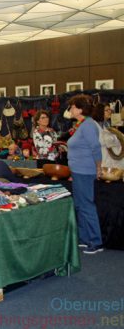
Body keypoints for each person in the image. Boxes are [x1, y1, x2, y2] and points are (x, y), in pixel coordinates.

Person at [67, 94, 103, 254]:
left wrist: (99, 168)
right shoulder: (82, 125)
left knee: (86, 205)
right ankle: (84, 238)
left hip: (84, 171)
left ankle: (96, 242)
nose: (71, 109)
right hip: (78, 171)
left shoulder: (88, 125)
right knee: (80, 205)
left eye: (73, 107)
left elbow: (95, 148)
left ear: (80, 109)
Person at [92, 103, 124, 170]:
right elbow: (101, 141)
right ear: (100, 112)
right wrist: (115, 139)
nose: (110, 111)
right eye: (107, 110)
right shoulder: (93, 125)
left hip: (107, 156)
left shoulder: (106, 124)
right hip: (99, 157)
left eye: (110, 109)